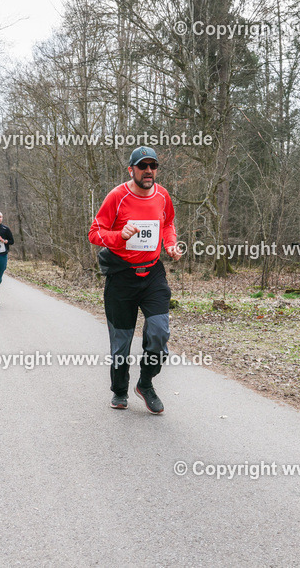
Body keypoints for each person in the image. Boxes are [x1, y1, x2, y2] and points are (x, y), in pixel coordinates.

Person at [88, 146, 182, 414]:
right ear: (132, 170)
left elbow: (168, 224)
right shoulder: (117, 196)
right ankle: (119, 390)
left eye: (153, 166)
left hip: (152, 273)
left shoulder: (162, 195)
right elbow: (95, 233)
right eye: (143, 166)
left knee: (159, 333)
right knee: (121, 342)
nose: (149, 171)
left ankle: (146, 383)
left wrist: (171, 245)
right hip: (122, 276)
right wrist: (121, 235)